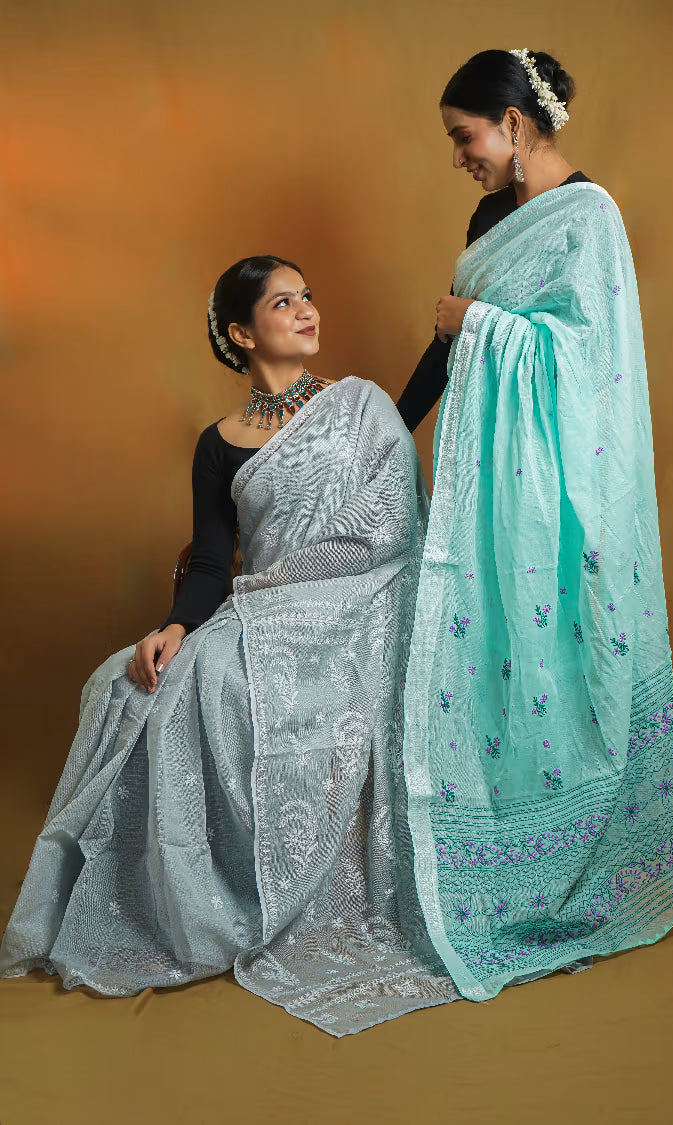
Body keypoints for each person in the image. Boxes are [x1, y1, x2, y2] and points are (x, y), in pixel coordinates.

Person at [0, 255, 459, 1035]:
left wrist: (453, 341)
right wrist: (174, 624)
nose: (308, 310)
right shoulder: (218, 445)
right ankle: (184, 899)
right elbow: (214, 561)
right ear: (243, 333)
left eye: (308, 295)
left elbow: (387, 528)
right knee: (128, 680)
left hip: (356, 613)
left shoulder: (361, 407)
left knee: (214, 677)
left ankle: (267, 886)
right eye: (286, 303)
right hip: (263, 607)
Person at [399, 50, 673, 1000]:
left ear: (515, 125)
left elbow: (591, 364)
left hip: (561, 499)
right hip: (488, 504)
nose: (458, 158)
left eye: (464, 136)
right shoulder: (494, 219)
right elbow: (447, 347)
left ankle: (575, 867)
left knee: (565, 658)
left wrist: (479, 322)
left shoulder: (590, 218)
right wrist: (382, 434)